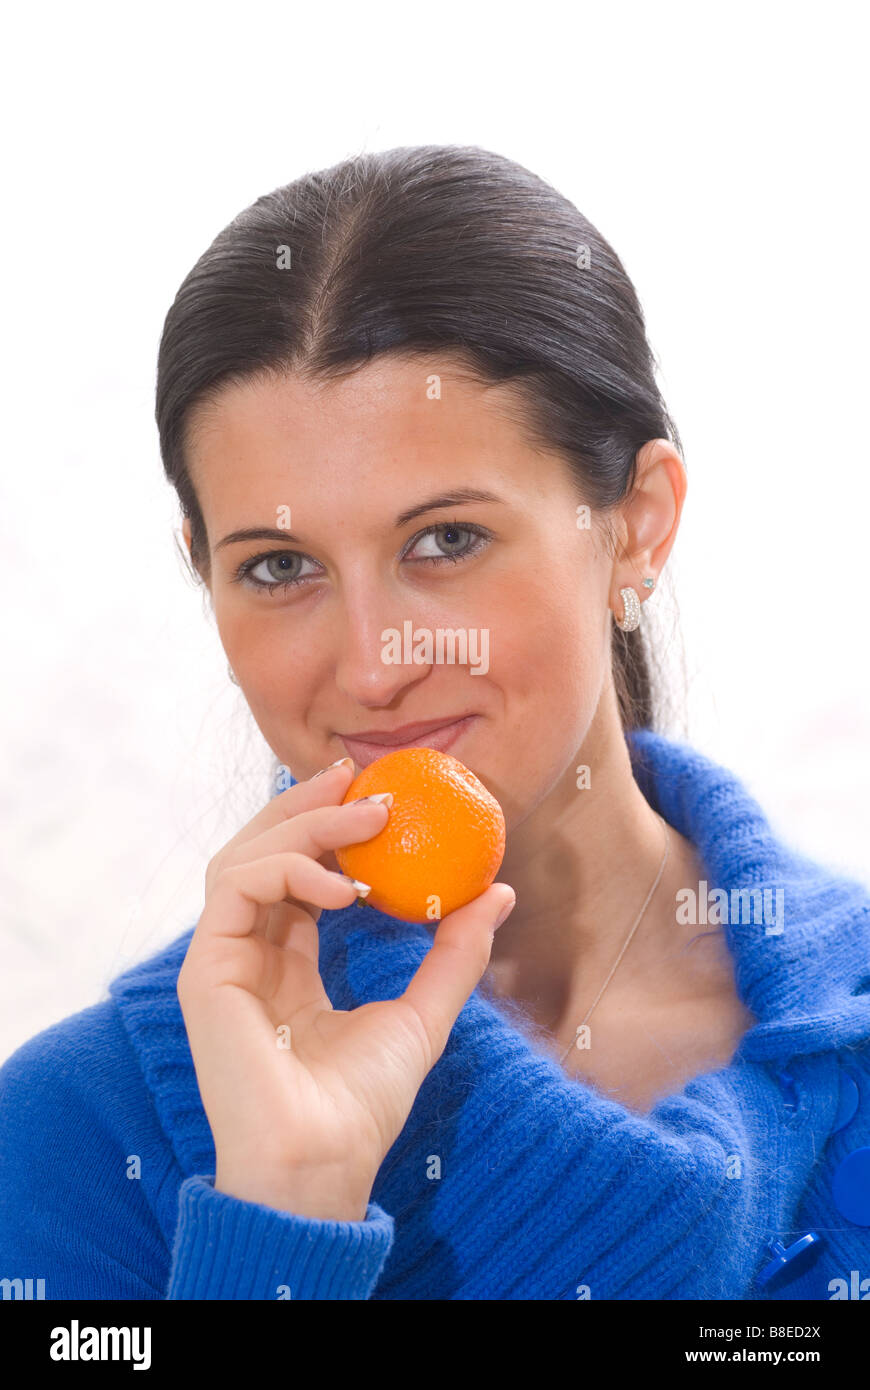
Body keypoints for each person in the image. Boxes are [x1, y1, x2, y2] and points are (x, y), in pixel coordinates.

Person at [2, 145, 869, 1301]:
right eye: (278, 567)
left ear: (638, 527)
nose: (373, 666)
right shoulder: (69, 1138)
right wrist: (278, 1216)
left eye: (445, 541)